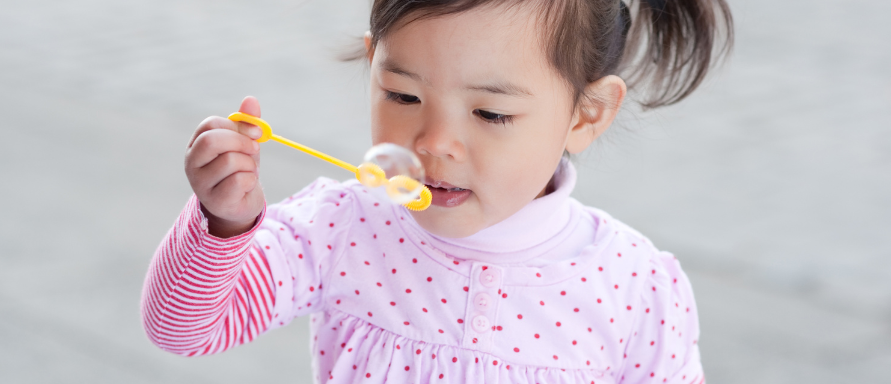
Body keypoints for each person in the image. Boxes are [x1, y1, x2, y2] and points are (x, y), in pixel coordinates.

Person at [140, 0, 732, 382]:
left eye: (490, 112)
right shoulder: (343, 228)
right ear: (374, 68)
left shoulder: (634, 286)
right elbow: (184, 329)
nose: (436, 142)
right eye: (403, 96)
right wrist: (224, 226)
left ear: (586, 113)